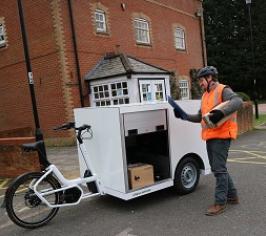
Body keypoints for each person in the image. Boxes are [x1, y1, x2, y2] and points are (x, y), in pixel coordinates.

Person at [173, 66, 243, 216]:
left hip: (222, 136)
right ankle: (232, 196)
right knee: (219, 168)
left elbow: (238, 101)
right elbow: (200, 116)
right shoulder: (205, 96)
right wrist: (184, 116)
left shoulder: (223, 90)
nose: (200, 83)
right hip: (210, 136)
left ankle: (220, 203)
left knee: (218, 169)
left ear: (210, 78)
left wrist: (221, 112)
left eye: (201, 80)